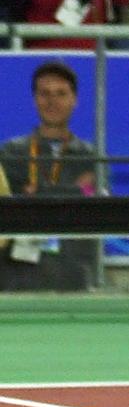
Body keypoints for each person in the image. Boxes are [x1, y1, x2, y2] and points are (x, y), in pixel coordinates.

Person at [0, 60, 97, 278]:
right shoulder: (11, 153)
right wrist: (70, 190)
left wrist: (38, 191)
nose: (52, 101)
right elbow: (10, 203)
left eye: (61, 94)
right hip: (15, 273)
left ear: (75, 100)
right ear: (35, 99)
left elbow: (91, 202)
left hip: (74, 273)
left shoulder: (91, 156)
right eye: (45, 93)